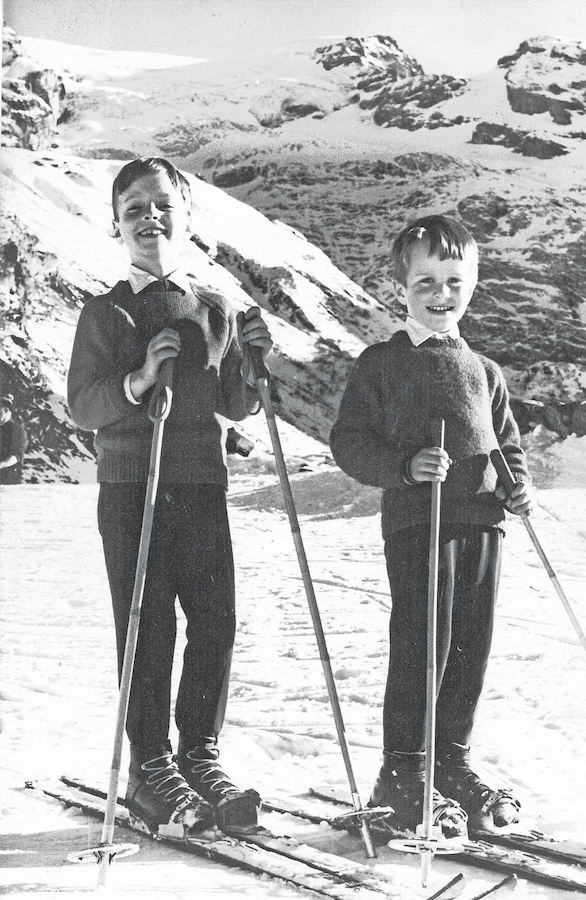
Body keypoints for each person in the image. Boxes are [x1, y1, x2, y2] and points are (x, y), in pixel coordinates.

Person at [67, 157, 272, 838]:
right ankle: (149, 767)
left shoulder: (211, 308)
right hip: (132, 488)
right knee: (148, 628)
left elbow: (235, 405)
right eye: (134, 209)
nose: (149, 218)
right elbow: (84, 406)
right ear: (116, 225)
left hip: (200, 484)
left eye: (162, 205)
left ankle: (199, 755)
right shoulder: (106, 312)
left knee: (214, 621)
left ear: (188, 217)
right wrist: (139, 377)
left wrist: (251, 362)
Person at [330, 215, 534, 837]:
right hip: (421, 521)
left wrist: (517, 482)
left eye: (454, 281)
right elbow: (349, 441)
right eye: (426, 282)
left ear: (472, 285)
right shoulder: (382, 363)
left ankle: (450, 764)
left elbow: (506, 442)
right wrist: (404, 466)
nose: (441, 294)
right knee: (424, 645)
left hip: (482, 523)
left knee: (471, 646)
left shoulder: (485, 370)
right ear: (401, 288)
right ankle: (404, 772)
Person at [0, 394, 28, 484]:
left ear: (6, 411)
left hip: (8, 481)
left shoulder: (17, 430)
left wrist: (1, 465)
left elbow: (16, 455)